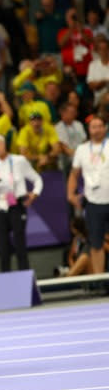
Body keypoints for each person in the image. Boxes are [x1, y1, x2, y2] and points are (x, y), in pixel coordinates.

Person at [0, 135, 43, 272]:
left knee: (20, 243)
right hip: (0, 204)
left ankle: (25, 277)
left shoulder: (19, 161)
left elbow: (37, 178)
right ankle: (6, 278)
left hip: (16, 203)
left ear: (5, 145)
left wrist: (35, 194)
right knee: (3, 245)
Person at [68, 115, 109, 274]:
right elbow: (74, 174)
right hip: (93, 202)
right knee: (96, 243)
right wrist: (70, 193)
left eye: (100, 126)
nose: (97, 129)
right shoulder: (82, 150)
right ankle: (100, 279)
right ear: (89, 130)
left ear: (104, 128)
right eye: (94, 127)